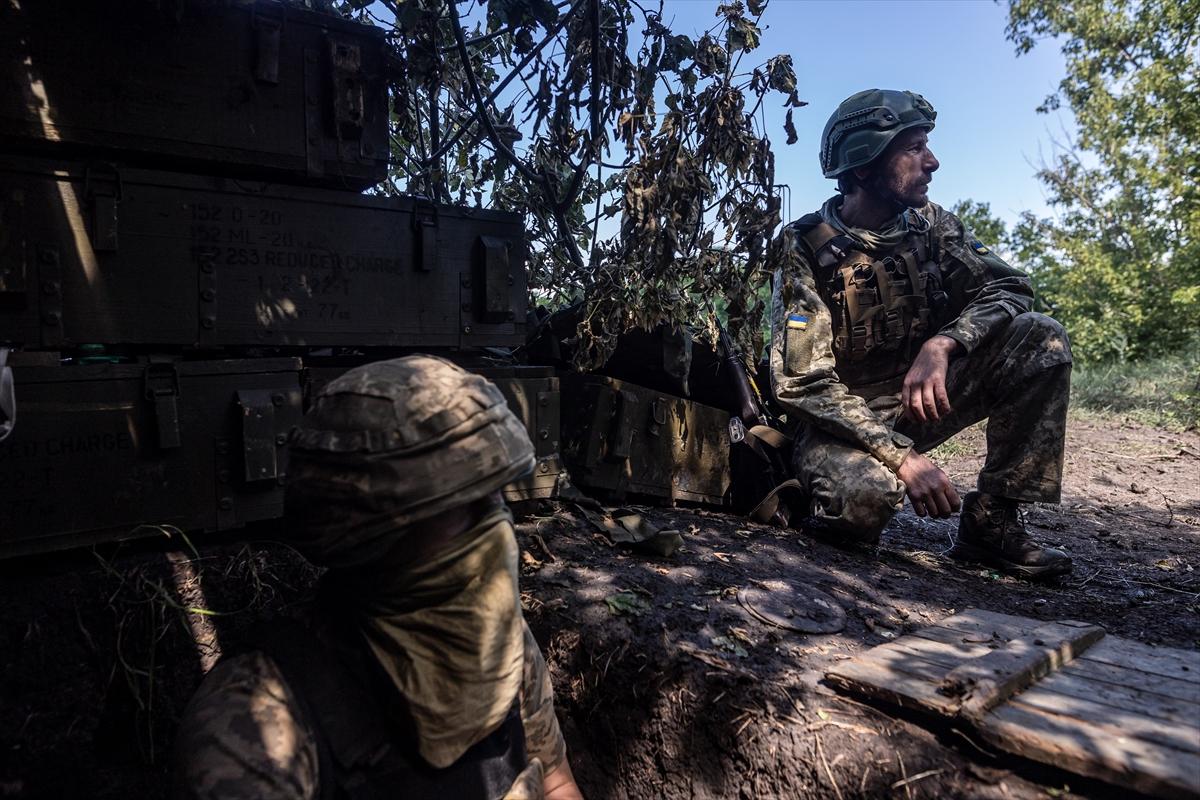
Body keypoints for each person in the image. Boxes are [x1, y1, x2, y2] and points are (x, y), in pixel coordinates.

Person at [172, 355, 583, 800]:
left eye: (495, 497)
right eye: (459, 506)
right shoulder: (252, 734)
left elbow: (556, 781)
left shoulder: (503, 643)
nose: (499, 528)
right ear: (368, 534)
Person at [767, 88, 1073, 580]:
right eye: (912, 149)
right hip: (840, 422)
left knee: (1041, 338)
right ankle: (808, 486)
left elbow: (1011, 288)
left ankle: (992, 525)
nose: (931, 162)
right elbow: (803, 383)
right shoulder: (805, 248)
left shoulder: (931, 225)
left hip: (918, 397)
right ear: (864, 166)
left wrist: (944, 343)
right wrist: (901, 457)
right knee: (863, 504)